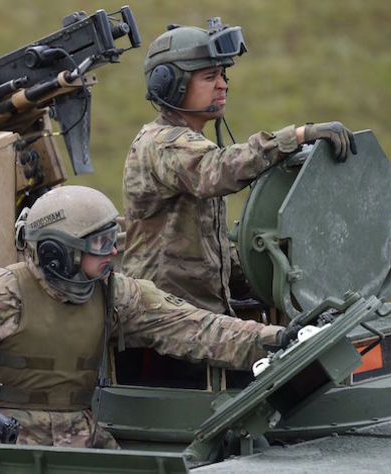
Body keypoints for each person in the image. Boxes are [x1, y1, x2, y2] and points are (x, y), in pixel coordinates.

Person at [0, 185, 287, 448]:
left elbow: (194, 327)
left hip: (82, 440)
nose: (113, 251)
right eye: (100, 242)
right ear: (57, 252)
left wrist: (275, 340)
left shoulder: (113, 294)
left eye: (113, 238)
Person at [121, 19, 357, 315]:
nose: (222, 85)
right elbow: (215, 170)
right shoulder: (160, 143)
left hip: (200, 315)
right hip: (162, 322)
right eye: (209, 77)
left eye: (222, 75)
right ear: (171, 85)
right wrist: (295, 137)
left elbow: (209, 243)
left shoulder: (191, 142)